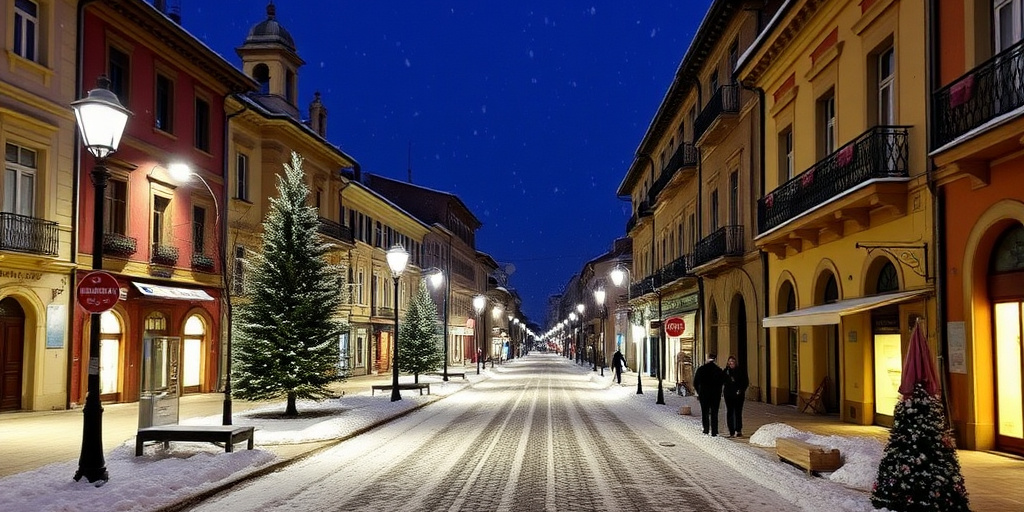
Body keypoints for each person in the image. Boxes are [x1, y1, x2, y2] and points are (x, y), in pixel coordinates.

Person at [692, 354, 725, 436]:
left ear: (707, 359)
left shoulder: (701, 369)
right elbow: (722, 382)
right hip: (715, 395)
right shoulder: (718, 370)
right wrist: (719, 391)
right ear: (715, 360)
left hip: (704, 394)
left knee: (705, 412)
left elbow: (695, 382)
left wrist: (699, 392)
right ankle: (714, 430)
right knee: (714, 412)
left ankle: (706, 429)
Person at [723, 355, 749, 438]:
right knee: (730, 412)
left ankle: (738, 430)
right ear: (728, 363)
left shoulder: (741, 371)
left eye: (733, 361)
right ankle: (731, 432)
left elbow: (745, 381)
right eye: (730, 361)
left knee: (738, 412)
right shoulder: (726, 371)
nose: (731, 363)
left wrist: (741, 390)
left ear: (735, 362)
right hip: (728, 394)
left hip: (738, 394)